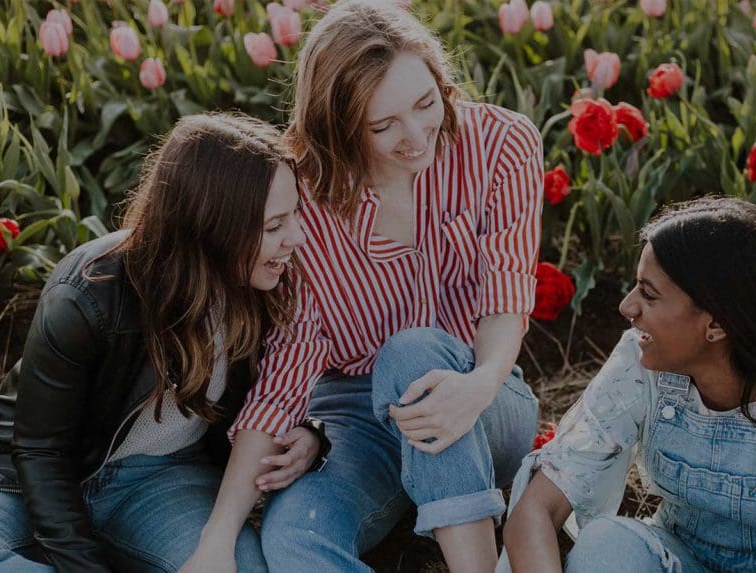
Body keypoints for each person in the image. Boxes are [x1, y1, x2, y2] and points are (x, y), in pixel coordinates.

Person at [188, 1, 543, 571]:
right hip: (358, 417)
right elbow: (287, 371)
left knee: (413, 353)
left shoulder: (501, 145)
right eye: (383, 126)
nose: (416, 137)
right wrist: (217, 537)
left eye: (427, 104)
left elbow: (506, 295)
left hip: (483, 393)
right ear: (338, 127)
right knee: (294, 541)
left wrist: (478, 384)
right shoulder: (303, 195)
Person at [0, 113, 324, 573]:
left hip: (159, 478)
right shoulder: (88, 295)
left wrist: (312, 433)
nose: (294, 237)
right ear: (210, 226)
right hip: (24, 474)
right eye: (273, 226)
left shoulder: (270, 289)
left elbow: (285, 387)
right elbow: (41, 452)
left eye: (294, 215)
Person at [501, 196, 756, 573]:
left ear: (718, 323)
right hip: (678, 556)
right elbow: (534, 511)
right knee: (607, 544)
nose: (627, 306)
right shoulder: (641, 367)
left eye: (649, 295)